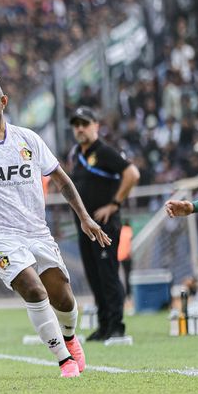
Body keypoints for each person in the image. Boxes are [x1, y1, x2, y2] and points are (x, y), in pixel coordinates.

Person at [0, 78, 111, 378]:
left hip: (36, 232)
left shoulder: (28, 139)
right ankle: (64, 360)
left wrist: (84, 216)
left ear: (3, 102)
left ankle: (69, 336)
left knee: (63, 297)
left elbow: (61, 179)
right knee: (34, 290)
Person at [66, 106, 140, 341]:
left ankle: (117, 325)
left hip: (105, 226)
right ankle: (104, 324)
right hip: (85, 227)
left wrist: (114, 204)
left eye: (85, 124)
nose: (80, 128)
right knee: (94, 276)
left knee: (108, 275)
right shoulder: (76, 154)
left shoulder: (105, 151)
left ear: (96, 126)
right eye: (76, 125)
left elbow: (132, 174)